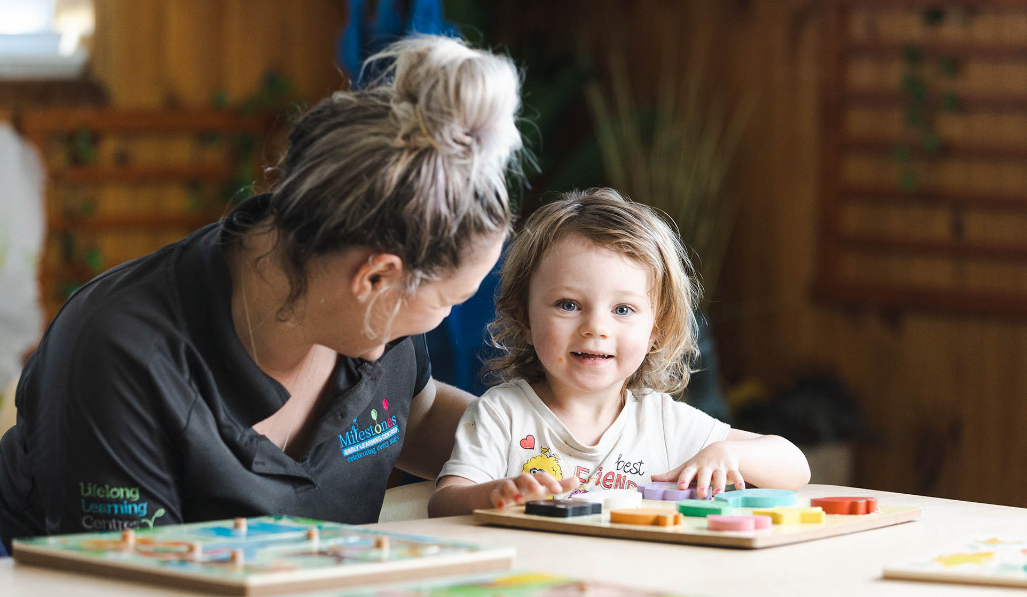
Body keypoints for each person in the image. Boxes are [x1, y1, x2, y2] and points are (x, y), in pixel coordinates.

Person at [0, 35, 524, 552]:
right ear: (374, 278)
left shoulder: (370, 321)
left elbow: (417, 417)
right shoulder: (120, 352)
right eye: (449, 300)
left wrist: (556, 449)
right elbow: (135, 580)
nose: (445, 315)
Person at [428, 189, 810, 516]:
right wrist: (495, 494)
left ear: (655, 331)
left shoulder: (661, 423)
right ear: (524, 318)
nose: (596, 327)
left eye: (623, 310)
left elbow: (795, 465)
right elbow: (443, 502)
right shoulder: (502, 415)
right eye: (568, 304)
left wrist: (731, 455)